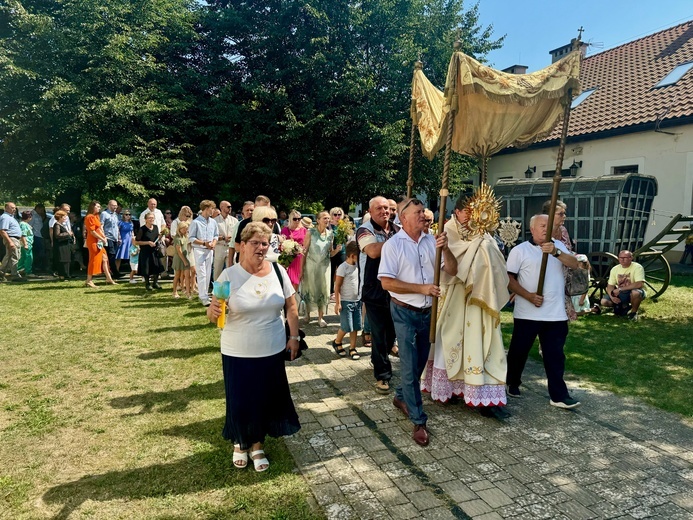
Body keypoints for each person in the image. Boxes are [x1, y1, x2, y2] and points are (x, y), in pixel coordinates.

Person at [206, 222, 301, 471]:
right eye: (255, 243)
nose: (261, 248)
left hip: (271, 348)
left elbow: (291, 308)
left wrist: (294, 338)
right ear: (242, 246)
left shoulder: (278, 272)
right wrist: (212, 311)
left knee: (264, 399)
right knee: (240, 399)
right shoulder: (228, 276)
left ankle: (257, 444)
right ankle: (240, 442)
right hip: (238, 349)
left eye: (265, 243)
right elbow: (214, 312)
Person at [378, 197, 457, 447]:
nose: (423, 215)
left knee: (420, 362)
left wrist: (445, 248)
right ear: (403, 218)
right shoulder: (393, 245)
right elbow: (386, 282)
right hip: (403, 311)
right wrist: (421, 288)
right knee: (411, 364)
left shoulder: (432, 241)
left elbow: (452, 270)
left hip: (428, 313)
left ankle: (401, 396)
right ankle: (418, 420)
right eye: (418, 212)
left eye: (423, 211)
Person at [421, 199, 510, 419]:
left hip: (480, 299)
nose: (474, 217)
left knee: (479, 344)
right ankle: (448, 389)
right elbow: (447, 268)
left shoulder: (485, 235)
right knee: (449, 343)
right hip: (454, 296)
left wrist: (484, 245)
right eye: (469, 212)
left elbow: (498, 264)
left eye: (478, 212)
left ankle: (482, 394)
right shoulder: (447, 232)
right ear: (457, 212)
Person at [505, 214, 581, 409]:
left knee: (555, 355)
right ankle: (512, 382)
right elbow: (509, 279)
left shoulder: (558, 246)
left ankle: (558, 395)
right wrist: (528, 296)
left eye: (549, 225)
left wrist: (555, 252)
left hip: (555, 314)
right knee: (519, 352)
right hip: (527, 313)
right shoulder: (520, 251)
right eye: (542, 225)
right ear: (532, 229)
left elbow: (574, 264)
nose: (546, 229)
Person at [356, 196, 399, 394]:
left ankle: (378, 359)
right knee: (379, 333)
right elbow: (373, 251)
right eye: (380, 208)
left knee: (391, 332)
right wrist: (400, 243)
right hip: (374, 289)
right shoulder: (365, 229)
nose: (385, 212)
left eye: (387, 208)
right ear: (371, 211)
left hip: (396, 288)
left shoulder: (397, 229)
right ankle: (383, 376)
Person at [301, 210, 340, 326]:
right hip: (311, 265)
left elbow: (330, 253)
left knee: (324, 289)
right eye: (324, 218)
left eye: (328, 218)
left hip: (325, 267)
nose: (327, 220)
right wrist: (301, 268)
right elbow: (304, 250)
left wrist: (337, 250)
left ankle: (320, 317)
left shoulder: (330, 234)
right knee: (310, 288)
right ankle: (307, 313)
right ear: (318, 220)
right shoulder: (310, 232)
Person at [595, 250, 646, 321]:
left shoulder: (637, 267)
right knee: (604, 302)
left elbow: (639, 284)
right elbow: (610, 285)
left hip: (633, 291)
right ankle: (622, 306)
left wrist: (620, 289)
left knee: (636, 293)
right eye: (620, 257)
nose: (622, 259)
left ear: (631, 258)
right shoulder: (615, 269)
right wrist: (612, 296)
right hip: (621, 293)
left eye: (625, 257)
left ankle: (633, 313)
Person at [332, 241, 362, 360]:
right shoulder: (343, 268)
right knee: (346, 326)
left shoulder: (358, 266)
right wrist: (337, 303)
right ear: (352, 255)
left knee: (355, 326)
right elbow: (337, 285)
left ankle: (352, 347)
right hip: (346, 301)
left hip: (357, 301)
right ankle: (337, 342)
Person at [189, 200, 218, 305]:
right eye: (212, 208)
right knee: (202, 274)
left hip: (209, 250)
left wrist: (214, 243)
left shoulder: (213, 222)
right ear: (206, 208)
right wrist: (204, 243)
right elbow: (191, 238)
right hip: (199, 250)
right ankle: (203, 297)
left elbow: (216, 235)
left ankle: (205, 294)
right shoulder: (196, 222)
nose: (213, 211)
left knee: (208, 273)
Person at [84, 201, 116, 288]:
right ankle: (89, 280)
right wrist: (102, 238)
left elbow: (99, 228)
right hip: (93, 242)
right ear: (93, 207)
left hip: (99, 241)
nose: (99, 208)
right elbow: (92, 232)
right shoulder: (89, 217)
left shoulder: (96, 216)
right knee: (93, 260)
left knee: (105, 258)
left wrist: (103, 236)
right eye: (97, 206)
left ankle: (109, 278)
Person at [134, 212, 165, 290]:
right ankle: (147, 284)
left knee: (157, 267)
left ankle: (155, 283)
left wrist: (160, 237)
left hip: (155, 251)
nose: (151, 219)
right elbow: (136, 242)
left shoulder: (155, 227)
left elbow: (156, 237)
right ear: (146, 220)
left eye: (152, 218)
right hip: (145, 252)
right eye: (149, 218)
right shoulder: (142, 229)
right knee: (146, 268)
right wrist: (148, 242)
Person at [280, 209, 307, 290]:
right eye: (295, 219)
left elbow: (306, 245)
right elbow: (281, 244)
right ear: (290, 219)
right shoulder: (285, 230)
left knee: (296, 282)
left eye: (299, 218)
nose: (297, 220)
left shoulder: (304, 230)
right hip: (288, 258)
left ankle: (294, 300)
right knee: (287, 282)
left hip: (299, 259)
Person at [214, 201, 238, 280]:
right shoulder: (214, 221)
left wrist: (231, 238)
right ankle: (216, 289)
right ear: (222, 208)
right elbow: (211, 236)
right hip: (219, 246)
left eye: (230, 207)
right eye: (228, 206)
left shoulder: (234, 220)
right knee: (217, 269)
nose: (230, 208)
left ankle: (231, 288)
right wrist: (223, 238)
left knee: (231, 269)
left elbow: (237, 233)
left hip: (230, 247)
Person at [228, 201, 255, 266]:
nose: (249, 212)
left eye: (251, 210)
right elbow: (232, 245)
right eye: (247, 210)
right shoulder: (238, 224)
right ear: (243, 213)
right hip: (241, 260)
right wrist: (230, 263)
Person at [329, 207, 347, 298]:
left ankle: (341, 290)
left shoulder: (344, 225)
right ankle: (331, 291)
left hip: (342, 251)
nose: (337, 216)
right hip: (332, 251)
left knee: (342, 270)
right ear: (331, 215)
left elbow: (348, 238)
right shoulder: (329, 226)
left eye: (339, 214)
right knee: (331, 271)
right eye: (335, 214)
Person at [101, 200, 121, 277]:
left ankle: (111, 271)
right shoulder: (104, 214)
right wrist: (103, 236)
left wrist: (119, 237)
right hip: (108, 237)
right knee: (111, 255)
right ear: (109, 205)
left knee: (113, 255)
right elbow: (101, 226)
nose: (115, 207)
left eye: (116, 205)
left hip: (115, 237)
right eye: (113, 205)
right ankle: (115, 272)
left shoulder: (115, 215)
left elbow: (117, 227)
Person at [172, 221, 191, 298]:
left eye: (186, 229)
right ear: (179, 229)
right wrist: (185, 261)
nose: (185, 230)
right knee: (177, 275)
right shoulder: (177, 238)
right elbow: (179, 251)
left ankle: (187, 292)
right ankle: (174, 292)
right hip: (179, 259)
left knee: (186, 275)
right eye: (183, 229)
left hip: (185, 257)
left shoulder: (185, 237)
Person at [52, 210, 72, 281]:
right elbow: (57, 235)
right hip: (60, 246)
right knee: (62, 260)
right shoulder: (57, 225)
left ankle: (66, 275)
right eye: (64, 217)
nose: (65, 218)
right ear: (60, 217)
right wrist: (68, 233)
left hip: (65, 245)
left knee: (66, 260)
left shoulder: (62, 225)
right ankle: (62, 276)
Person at [116, 210, 135, 277]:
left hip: (129, 240)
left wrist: (133, 239)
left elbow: (132, 231)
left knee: (132, 255)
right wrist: (119, 238)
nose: (128, 216)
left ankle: (133, 271)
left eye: (129, 214)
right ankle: (116, 270)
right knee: (119, 256)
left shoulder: (131, 223)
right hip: (122, 239)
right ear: (123, 215)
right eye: (126, 214)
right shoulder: (120, 222)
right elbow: (117, 230)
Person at [29, 204, 47, 273]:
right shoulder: (32, 215)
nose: (42, 211)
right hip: (36, 236)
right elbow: (30, 226)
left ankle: (37, 266)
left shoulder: (38, 215)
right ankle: (34, 267)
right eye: (41, 210)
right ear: (38, 208)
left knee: (40, 252)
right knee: (37, 253)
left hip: (39, 235)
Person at [18, 211, 34, 277]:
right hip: (26, 244)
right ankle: (28, 271)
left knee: (23, 257)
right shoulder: (23, 224)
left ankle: (20, 270)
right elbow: (23, 235)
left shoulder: (24, 224)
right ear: (29, 217)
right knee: (29, 257)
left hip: (27, 243)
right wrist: (25, 244)